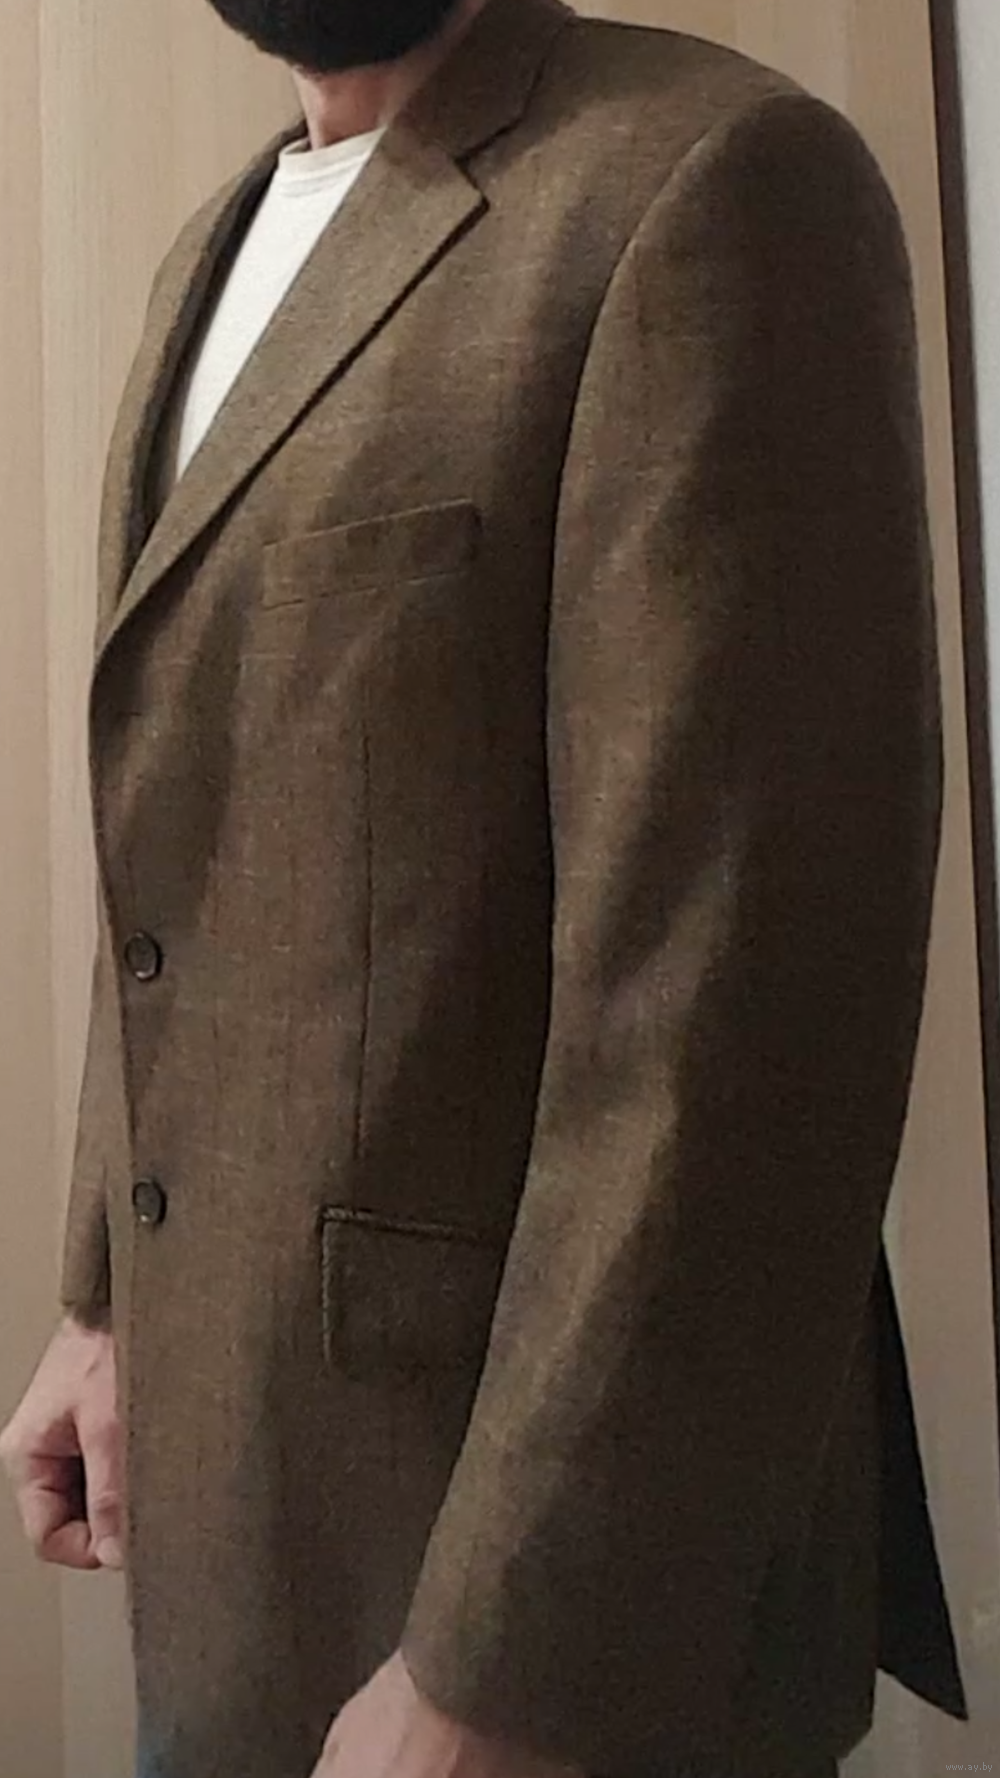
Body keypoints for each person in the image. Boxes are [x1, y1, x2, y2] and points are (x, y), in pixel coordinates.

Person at [0, 0, 969, 1772]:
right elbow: (188, 851)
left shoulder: (708, 180)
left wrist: (514, 1659)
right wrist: (104, 1295)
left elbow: (738, 1026)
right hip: (222, 1517)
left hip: (517, 1616)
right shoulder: (206, 258)